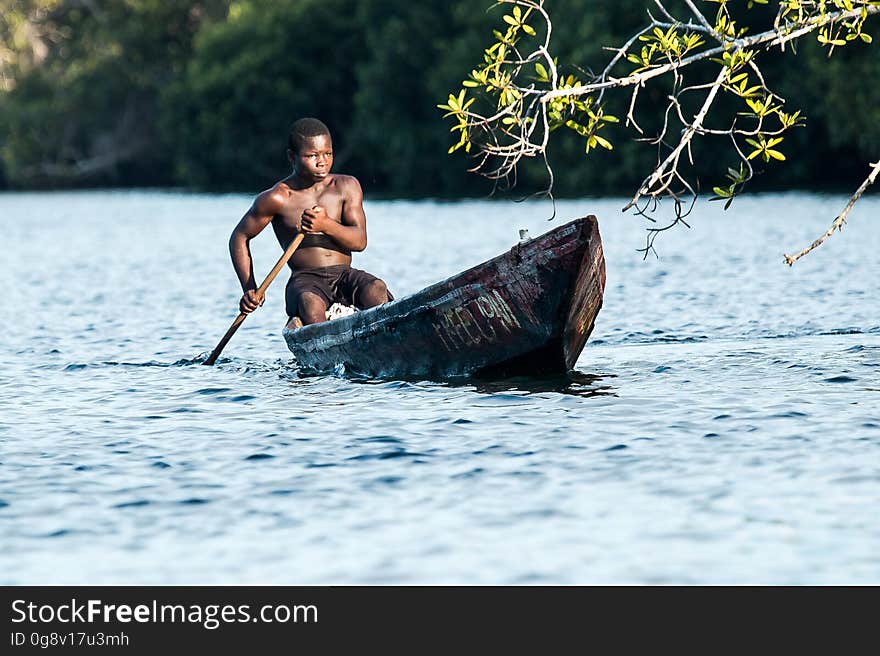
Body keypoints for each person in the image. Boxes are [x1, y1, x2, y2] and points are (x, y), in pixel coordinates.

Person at [229, 118, 393, 326]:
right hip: (305, 280)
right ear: (292, 157)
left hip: (344, 275)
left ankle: (386, 337)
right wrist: (249, 288)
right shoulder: (278, 198)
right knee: (310, 304)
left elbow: (360, 242)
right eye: (312, 155)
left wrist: (326, 225)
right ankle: (325, 343)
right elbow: (239, 237)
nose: (322, 161)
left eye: (328, 154)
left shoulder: (346, 186)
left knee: (376, 288)